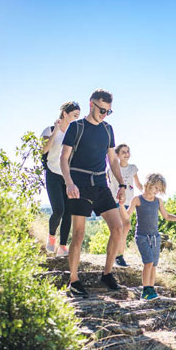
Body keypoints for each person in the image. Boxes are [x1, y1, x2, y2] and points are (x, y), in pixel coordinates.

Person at [60, 89, 126, 298]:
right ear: (91, 105)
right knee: (78, 235)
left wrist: (122, 185)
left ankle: (107, 274)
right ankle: (74, 280)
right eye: (101, 109)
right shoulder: (76, 127)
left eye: (108, 111)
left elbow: (112, 160)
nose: (104, 114)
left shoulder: (108, 130)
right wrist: (69, 183)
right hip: (78, 185)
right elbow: (64, 158)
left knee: (118, 227)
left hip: (100, 184)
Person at [119, 173, 176, 301]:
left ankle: (151, 289)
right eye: (156, 188)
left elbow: (167, 216)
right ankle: (145, 290)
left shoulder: (158, 201)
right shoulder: (137, 199)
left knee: (153, 265)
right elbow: (127, 216)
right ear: (148, 184)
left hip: (155, 237)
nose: (157, 191)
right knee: (148, 262)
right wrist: (120, 206)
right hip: (142, 236)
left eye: (159, 190)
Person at [41, 101, 80, 256]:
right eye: (74, 115)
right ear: (65, 113)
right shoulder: (49, 130)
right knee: (58, 210)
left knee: (68, 213)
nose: (76, 119)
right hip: (52, 174)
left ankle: (63, 246)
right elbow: (44, 149)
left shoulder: (73, 134)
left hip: (68, 176)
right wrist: (56, 131)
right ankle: (51, 237)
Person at [107, 143, 143, 267]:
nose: (127, 154)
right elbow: (106, 182)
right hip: (115, 202)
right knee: (125, 226)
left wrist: (147, 193)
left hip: (128, 202)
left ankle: (117, 254)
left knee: (124, 228)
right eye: (123, 152)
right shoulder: (111, 169)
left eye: (128, 151)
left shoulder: (132, 168)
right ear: (117, 155)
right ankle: (119, 256)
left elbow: (138, 184)